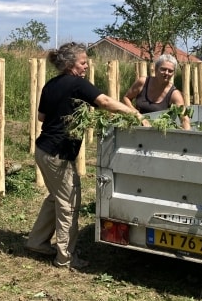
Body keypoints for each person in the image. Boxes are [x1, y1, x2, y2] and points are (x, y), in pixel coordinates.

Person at [25, 42, 146, 270]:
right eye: (83, 62)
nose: (86, 66)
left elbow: (42, 117)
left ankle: (37, 242)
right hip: (58, 154)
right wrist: (135, 114)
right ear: (71, 64)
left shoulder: (51, 84)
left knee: (56, 197)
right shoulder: (77, 84)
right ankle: (66, 257)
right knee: (69, 203)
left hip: (43, 150)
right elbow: (105, 102)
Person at [122, 54, 191, 130]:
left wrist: (189, 136)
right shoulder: (143, 82)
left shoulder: (174, 94)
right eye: (163, 69)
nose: (166, 73)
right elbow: (126, 98)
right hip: (136, 128)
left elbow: (184, 119)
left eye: (170, 71)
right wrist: (136, 114)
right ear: (156, 69)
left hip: (159, 132)